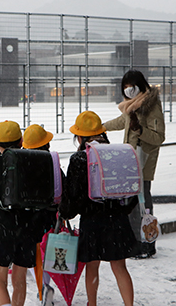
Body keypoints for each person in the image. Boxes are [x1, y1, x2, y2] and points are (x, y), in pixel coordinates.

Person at [59, 111, 138, 306]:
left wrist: (65, 212)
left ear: (80, 136)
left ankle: (92, 303)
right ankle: (129, 304)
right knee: (120, 266)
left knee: (92, 266)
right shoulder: (116, 153)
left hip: (92, 220)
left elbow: (73, 195)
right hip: (117, 219)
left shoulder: (79, 159)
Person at [0, 120, 41, 306]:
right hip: (28, 229)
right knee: (19, 281)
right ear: (21, 141)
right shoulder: (32, 160)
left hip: (3, 231)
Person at [103, 69, 166, 259]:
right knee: (132, 204)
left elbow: (158, 137)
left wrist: (139, 131)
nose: (128, 90)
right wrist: (100, 127)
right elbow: (122, 121)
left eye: (132, 87)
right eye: (125, 87)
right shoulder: (132, 107)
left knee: (143, 203)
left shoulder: (151, 106)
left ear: (141, 86)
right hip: (131, 162)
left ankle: (147, 244)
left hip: (143, 161)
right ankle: (136, 242)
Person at [22, 124, 61, 306]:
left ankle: (42, 287)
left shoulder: (22, 165)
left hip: (29, 217)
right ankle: (45, 284)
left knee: (32, 253)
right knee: (46, 253)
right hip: (50, 216)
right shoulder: (53, 165)